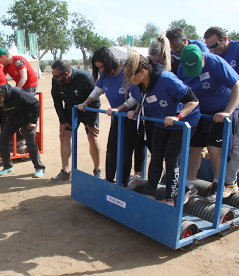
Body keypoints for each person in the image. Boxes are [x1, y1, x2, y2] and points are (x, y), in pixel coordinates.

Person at [125, 50, 200, 206]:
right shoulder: (138, 85)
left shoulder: (166, 79)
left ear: (143, 72)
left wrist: (177, 117)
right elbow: (142, 100)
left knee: (172, 159)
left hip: (182, 122)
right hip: (161, 121)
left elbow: (193, 101)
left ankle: (169, 198)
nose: (129, 80)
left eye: (131, 75)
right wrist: (135, 112)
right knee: (156, 156)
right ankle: (151, 193)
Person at [177, 45, 239, 201]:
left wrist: (227, 112)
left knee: (215, 148)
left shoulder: (216, 63)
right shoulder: (182, 67)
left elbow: (238, 87)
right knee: (193, 147)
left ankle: (219, 184)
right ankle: (189, 186)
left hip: (223, 108)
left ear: (203, 59)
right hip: (199, 110)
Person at [77, 47, 144, 186]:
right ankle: (109, 179)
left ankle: (123, 181)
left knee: (126, 150)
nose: (101, 70)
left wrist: (118, 109)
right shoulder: (105, 75)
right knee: (111, 148)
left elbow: (134, 99)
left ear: (109, 62)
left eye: (102, 66)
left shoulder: (127, 71)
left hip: (132, 117)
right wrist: (84, 103)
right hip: (117, 117)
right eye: (98, 67)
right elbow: (97, 90)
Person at [204, 26, 239, 197]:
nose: (213, 50)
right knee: (221, 143)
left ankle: (230, 182)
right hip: (224, 101)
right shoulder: (216, 56)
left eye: (215, 45)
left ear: (225, 39)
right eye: (210, 47)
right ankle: (219, 179)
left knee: (236, 141)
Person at [50, 60, 101, 181]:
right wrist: (63, 121)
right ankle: (65, 171)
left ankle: (97, 170)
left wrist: (91, 123)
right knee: (64, 135)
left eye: (56, 76)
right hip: (70, 111)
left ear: (66, 74)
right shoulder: (56, 80)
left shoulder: (85, 78)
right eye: (53, 75)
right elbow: (57, 101)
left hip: (88, 111)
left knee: (92, 137)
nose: (54, 78)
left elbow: (96, 102)